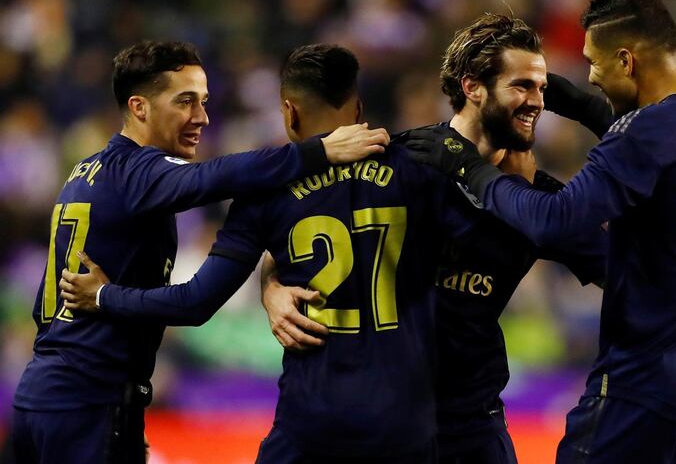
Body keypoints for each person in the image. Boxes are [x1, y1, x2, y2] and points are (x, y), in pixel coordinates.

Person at [58, 44, 481, 463]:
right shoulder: (422, 172)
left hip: (310, 426)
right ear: (358, 107)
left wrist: (105, 296)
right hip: (406, 423)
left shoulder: (265, 192)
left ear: (289, 111)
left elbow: (194, 302)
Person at [403, 0, 676, 463]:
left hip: (639, 392)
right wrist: (274, 286)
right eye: (526, 84)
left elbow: (558, 221)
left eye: (594, 64)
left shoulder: (629, 142)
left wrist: (472, 170)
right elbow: (658, 149)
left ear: (627, 61)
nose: (589, 77)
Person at [10, 40, 388, 464]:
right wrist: (317, 151)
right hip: (87, 400)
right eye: (185, 102)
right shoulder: (139, 172)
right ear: (139, 107)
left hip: (45, 397)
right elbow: (215, 176)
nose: (202, 117)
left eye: (204, 102)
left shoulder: (88, 171)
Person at [261, 13, 611, 464]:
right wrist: (272, 288)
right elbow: (290, 234)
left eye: (542, 88)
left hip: (469, 425)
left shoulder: (537, 202)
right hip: (377, 416)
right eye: (522, 86)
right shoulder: (397, 159)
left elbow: (624, 270)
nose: (537, 102)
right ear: (472, 87)